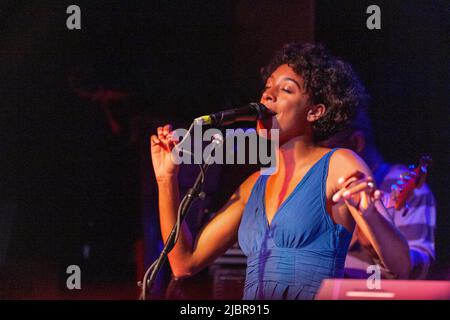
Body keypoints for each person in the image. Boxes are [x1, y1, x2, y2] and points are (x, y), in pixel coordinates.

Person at [150, 42, 411, 300]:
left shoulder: (339, 164)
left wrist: (371, 217)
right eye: (267, 88)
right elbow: (183, 263)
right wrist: (166, 179)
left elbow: (400, 265)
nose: (267, 96)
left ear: (315, 111)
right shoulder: (254, 185)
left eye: (286, 89)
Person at [321, 109, 436, 279]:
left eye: (328, 153)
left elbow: (416, 271)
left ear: (356, 142)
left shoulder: (405, 189)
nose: (321, 162)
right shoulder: (322, 188)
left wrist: (377, 240)